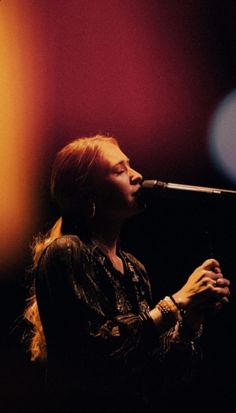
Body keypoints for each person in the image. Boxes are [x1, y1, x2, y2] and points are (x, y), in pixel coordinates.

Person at [24, 134, 230, 412]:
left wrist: (191, 319)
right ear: (88, 193)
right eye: (120, 171)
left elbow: (158, 377)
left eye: (130, 166)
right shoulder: (67, 251)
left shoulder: (134, 268)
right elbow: (98, 352)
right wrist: (177, 302)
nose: (138, 176)